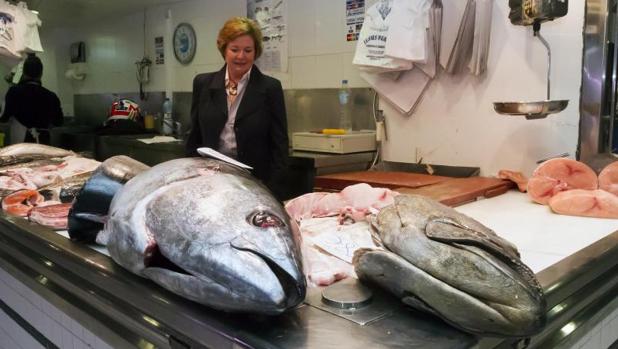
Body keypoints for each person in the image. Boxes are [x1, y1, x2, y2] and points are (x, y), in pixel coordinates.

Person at [186, 16, 288, 199]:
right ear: (224, 49)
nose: (241, 56)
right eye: (235, 49)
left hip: (255, 185)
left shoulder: (270, 88)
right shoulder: (202, 83)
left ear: (255, 52)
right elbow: (194, 137)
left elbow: (279, 146)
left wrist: (271, 191)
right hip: (211, 183)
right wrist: (190, 181)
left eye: (248, 50)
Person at [0, 53, 63, 145]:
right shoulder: (51, 96)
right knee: (42, 160)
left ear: (24, 73)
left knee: (21, 159)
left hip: (20, 141)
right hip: (43, 142)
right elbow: (59, 122)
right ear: (41, 74)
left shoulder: (14, 92)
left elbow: (4, 118)